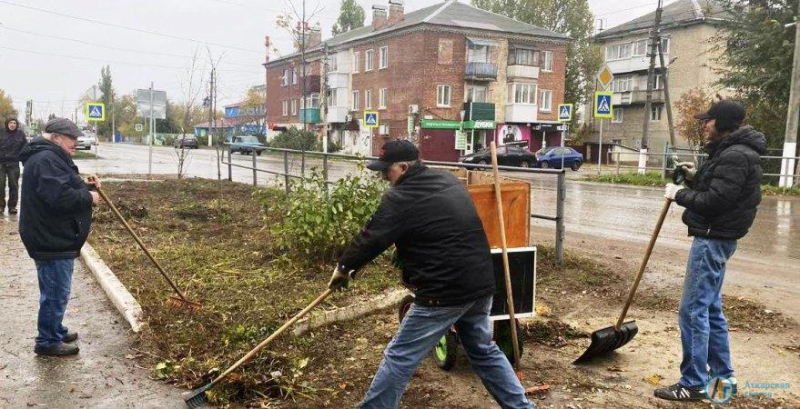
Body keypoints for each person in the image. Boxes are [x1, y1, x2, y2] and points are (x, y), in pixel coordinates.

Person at [328, 140, 533, 409]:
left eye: (385, 172)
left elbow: (372, 237)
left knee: (400, 355)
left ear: (402, 167)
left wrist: (343, 268)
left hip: (444, 292)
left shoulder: (401, 196)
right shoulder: (446, 181)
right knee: (483, 350)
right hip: (481, 283)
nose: (383, 177)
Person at [656, 100, 766, 401]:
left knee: (692, 310)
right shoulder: (733, 152)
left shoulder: (735, 155)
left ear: (723, 123)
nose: (704, 125)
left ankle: (692, 384)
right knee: (710, 309)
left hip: (712, 238)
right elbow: (719, 187)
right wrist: (693, 177)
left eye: (708, 121)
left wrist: (680, 194)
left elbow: (716, 201)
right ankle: (722, 380)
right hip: (719, 236)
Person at [19, 118, 102, 357]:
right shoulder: (46, 159)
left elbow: (61, 185)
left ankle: (54, 329)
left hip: (51, 234)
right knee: (56, 290)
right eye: (71, 138)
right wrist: (90, 198)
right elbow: (59, 198)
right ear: (56, 137)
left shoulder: (49, 156)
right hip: (50, 237)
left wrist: (85, 186)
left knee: (54, 288)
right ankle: (47, 341)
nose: (76, 142)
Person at [0, 118, 29, 214]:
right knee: (1, 184)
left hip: (14, 163)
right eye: (10, 122)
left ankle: (12, 206)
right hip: (1, 163)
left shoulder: (20, 134)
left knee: (14, 185)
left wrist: (21, 156)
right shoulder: (1, 132)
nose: (12, 124)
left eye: (14, 123)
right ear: (7, 124)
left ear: (17, 124)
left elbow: (25, 147)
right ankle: (0, 205)